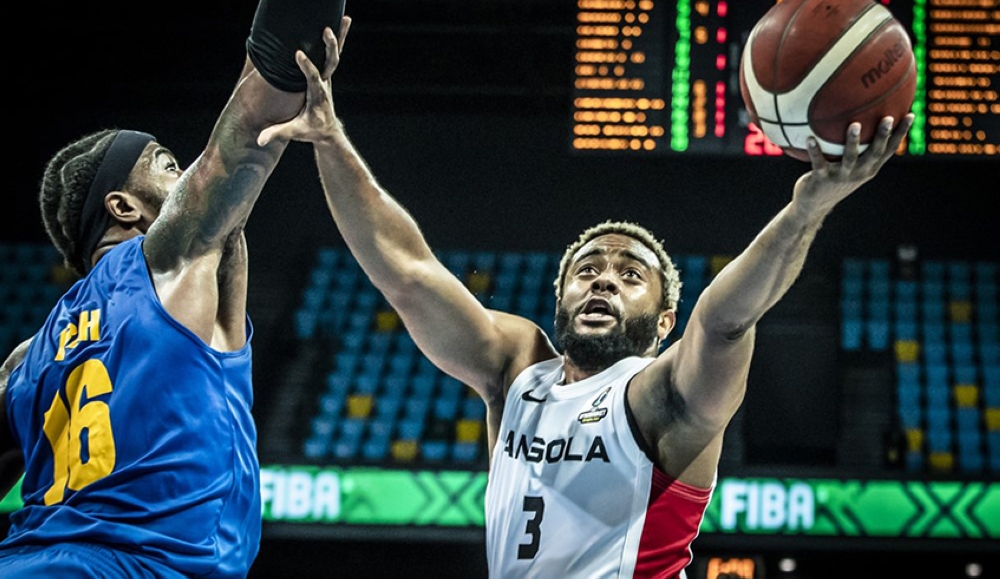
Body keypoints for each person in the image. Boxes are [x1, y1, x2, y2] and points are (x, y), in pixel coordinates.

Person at [260, 39, 913, 578]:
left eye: (630, 275)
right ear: (560, 298)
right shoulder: (517, 366)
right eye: (587, 270)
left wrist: (807, 208)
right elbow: (407, 273)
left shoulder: (661, 398)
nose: (603, 281)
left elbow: (725, 320)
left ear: (664, 322)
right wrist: (330, 140)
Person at [0, 2, 350, 577]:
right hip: (135, 565)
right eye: (166, 164)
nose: (185, 174)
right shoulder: (168, 259)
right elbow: (241, 138)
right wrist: (296, 51)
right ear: (123, 207)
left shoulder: (24, 361)